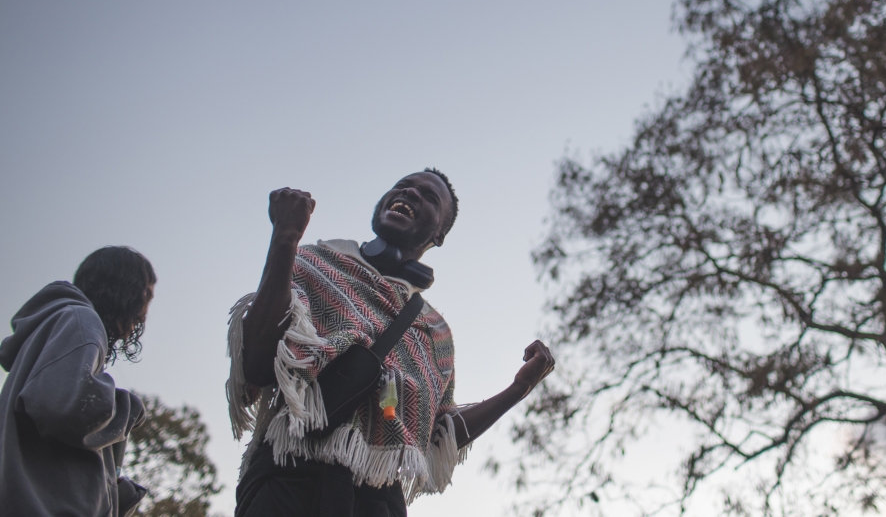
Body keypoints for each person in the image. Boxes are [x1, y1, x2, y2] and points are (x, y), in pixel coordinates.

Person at [228, 169, 555, 517]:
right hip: (286, 476)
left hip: (375, 499)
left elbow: (435, 434)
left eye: (429, 197)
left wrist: (517, 389)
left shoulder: (433, 329)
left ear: (440, 233)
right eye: (403, 186)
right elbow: (259, 364)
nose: (411, 193)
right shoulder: (313, 261)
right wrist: (284, 238)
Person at [0, 246, 157, 517]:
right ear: (127, 291)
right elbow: (61, 407)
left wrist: (116, 491)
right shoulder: (82, 321)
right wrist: (127, 407)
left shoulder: (63, 326)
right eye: (147, 297)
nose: (144, 315)